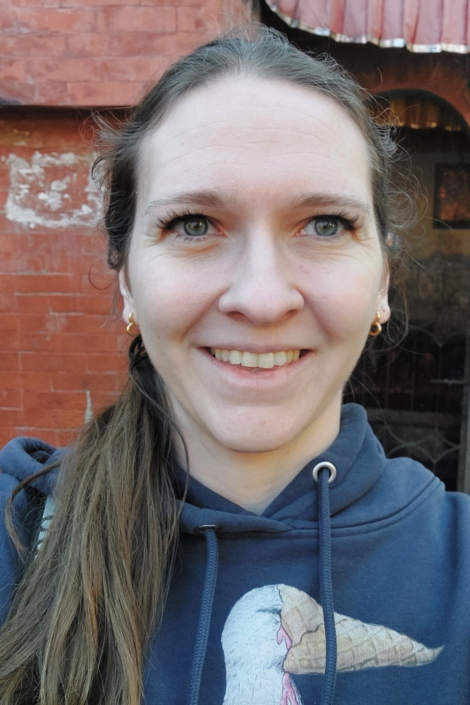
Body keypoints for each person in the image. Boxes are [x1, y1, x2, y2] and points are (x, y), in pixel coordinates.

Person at [0, 27, 469, 705]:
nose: (261, 298)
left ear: (382, 281)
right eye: (194, 224)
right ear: (127, 280)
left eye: (325, 224)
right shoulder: (18, 537)